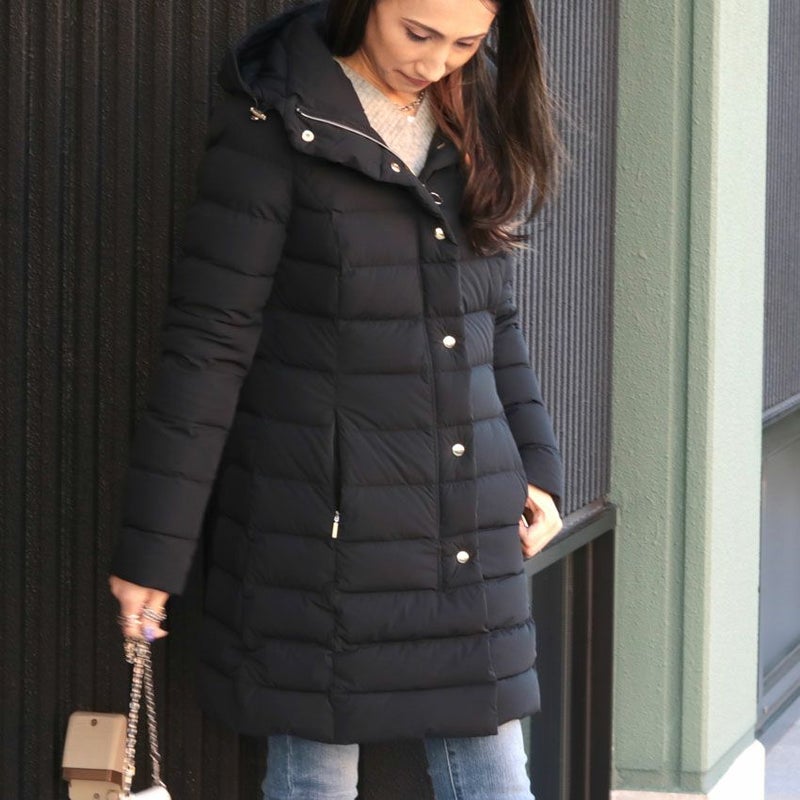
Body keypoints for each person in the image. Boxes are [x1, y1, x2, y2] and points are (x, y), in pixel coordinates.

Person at [109, 0, 565, 797]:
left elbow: (492, 317)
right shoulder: (274, 124)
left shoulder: (473, 116)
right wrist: (154, 550)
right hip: (320, 530)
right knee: (316, 776)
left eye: (465, 43)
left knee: (496, 778)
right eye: (418, 34)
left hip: (469, 523)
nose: (436, 65)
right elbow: (210, 343)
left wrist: (537, 468)